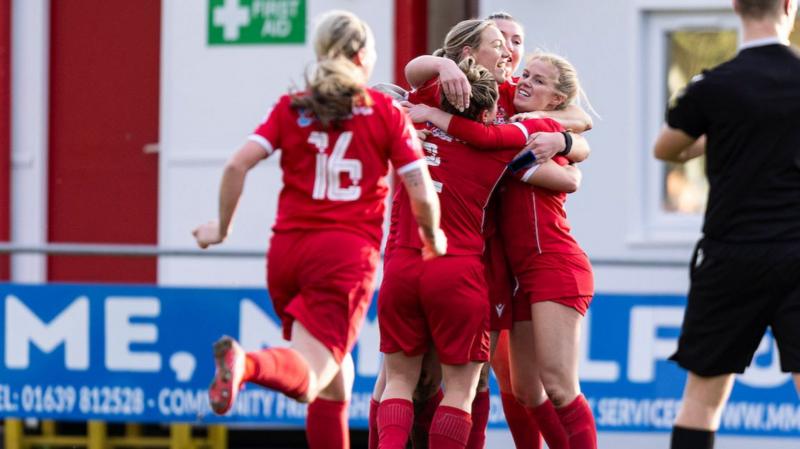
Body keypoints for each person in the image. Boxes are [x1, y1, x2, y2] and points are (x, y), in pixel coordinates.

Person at [192, 10, 446, 449]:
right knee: (311, 375)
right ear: (363, 55)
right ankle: (246, 364)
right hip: (343, 259)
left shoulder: (293, 106)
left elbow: (237, 165)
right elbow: (419, 187)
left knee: (335, 380)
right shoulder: (384, 111)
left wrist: (220, 228)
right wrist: (432, 235)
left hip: (287, 253)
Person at [376, 55, 575, 449]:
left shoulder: (412, 128)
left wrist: (425, 107)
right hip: (457, 272)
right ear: (487, 112)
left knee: (397, 381)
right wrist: (570, 149)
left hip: (403, 265)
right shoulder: (498, 145)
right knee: (461, 389)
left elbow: (378, 95)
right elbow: (565, 160)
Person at [652, 1, 800, 448]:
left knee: (701, 401)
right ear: (789, 6)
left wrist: (716, 133)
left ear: (736, 7)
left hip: (730, 257)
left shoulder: (713, 86)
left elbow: (666, 149)